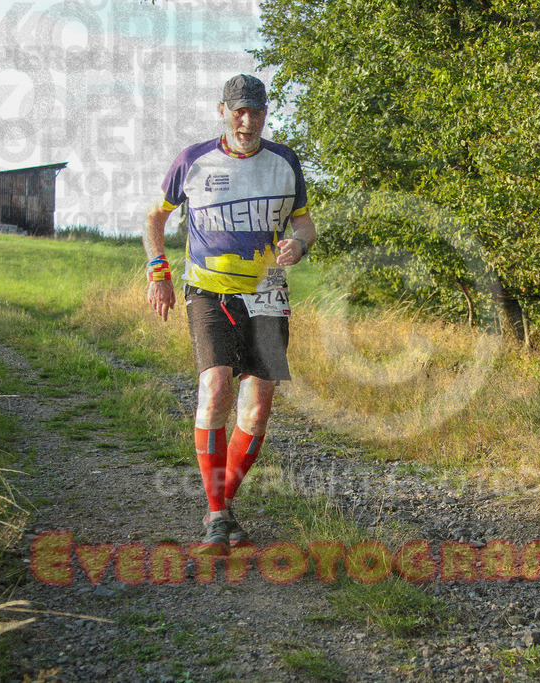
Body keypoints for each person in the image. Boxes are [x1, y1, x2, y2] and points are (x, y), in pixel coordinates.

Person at [143, 74, 315, 551]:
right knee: (216, 388)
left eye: (256, 111)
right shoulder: (193, 160)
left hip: (268, 291)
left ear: (265, 113)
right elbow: (155, 217)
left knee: (258, 408)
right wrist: (159, 271)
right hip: (209, 290)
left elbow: (303, 219)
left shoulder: (285, 162)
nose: (247, 120)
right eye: (238, 110)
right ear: (223, 110)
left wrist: (298, 243)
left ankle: (222, 507)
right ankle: (218, 513)